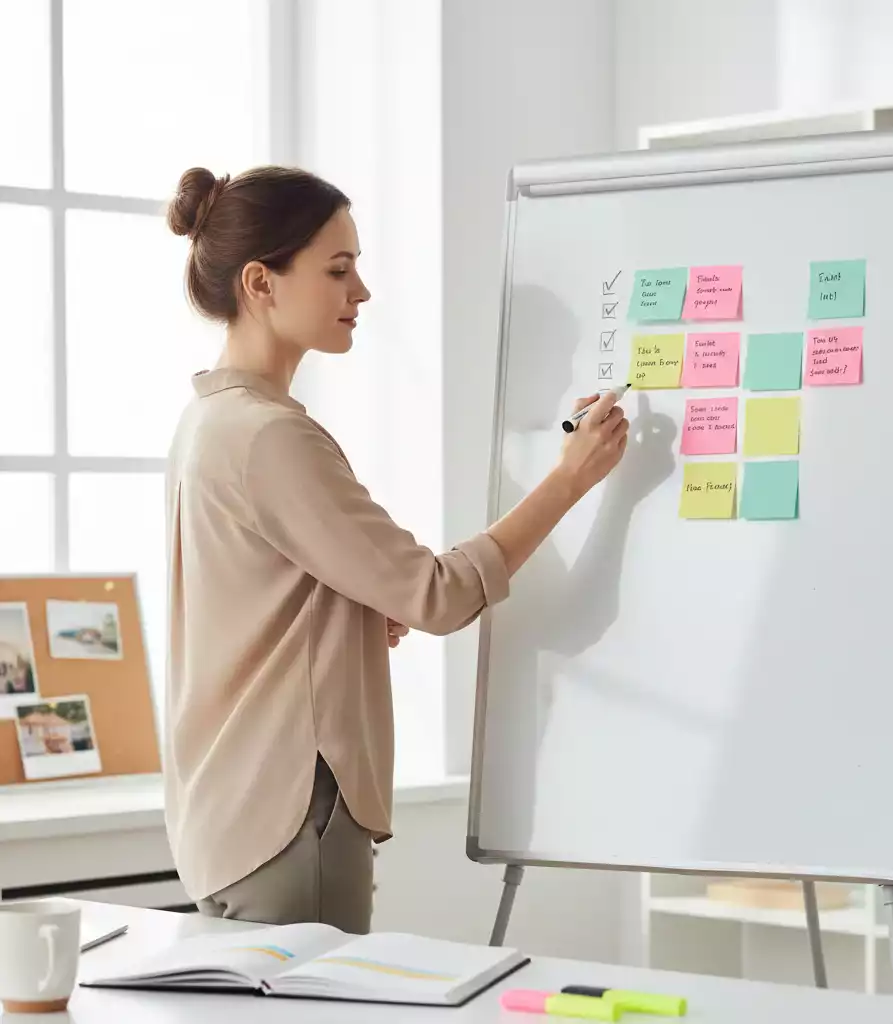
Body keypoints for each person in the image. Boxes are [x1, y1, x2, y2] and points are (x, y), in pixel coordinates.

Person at [163, 165, 629, 933]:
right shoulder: (271, 437)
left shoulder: (209, 423)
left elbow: (257, 602)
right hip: (290, 814)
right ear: (261, 283)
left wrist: (348, 613)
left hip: (229, 813)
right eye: (338, 270)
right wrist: (571, 480)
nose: (362, 292)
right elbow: (437, 595)